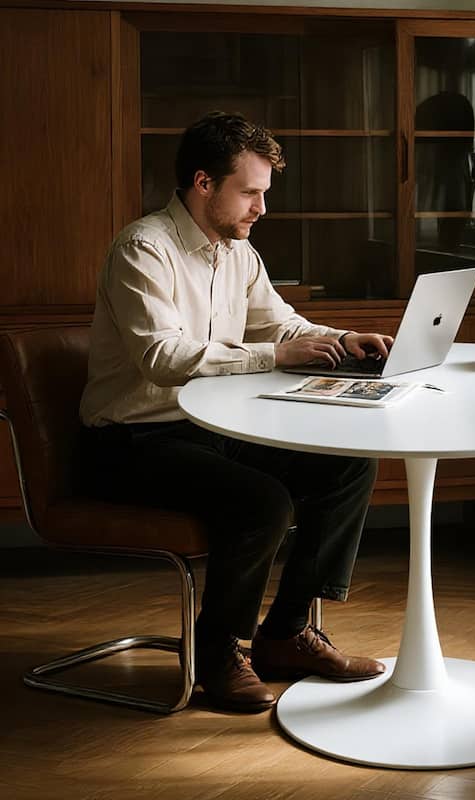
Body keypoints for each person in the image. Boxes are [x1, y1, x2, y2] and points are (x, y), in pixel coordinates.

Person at [79, 111, 394, 713]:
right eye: (249, 192)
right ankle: (219, 652)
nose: (261, 208)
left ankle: (284, 635)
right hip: (129, 443)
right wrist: (276, 355)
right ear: (203, 183)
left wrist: (341, 337)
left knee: (347, 463)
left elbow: (282, 323)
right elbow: (161, 357)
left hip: (208, 431)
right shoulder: (143, 249)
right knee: (263, 500)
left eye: (263, 193)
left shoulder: (237, 252)